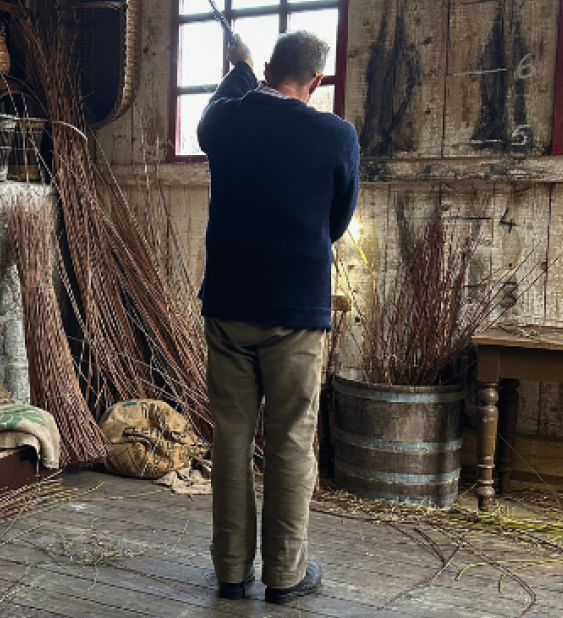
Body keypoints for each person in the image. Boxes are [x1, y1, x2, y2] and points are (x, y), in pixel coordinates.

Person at [196, 31, 360, 604]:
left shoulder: (226, 121)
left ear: (268, 67)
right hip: (297, 310)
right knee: (291, 440)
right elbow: (335, 223)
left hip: (228, 306)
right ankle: (286, 577)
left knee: (232, 437)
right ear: (316, 81)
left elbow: (216, 113)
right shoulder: (336, 135)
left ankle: (231, 572)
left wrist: (239, 69)